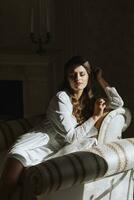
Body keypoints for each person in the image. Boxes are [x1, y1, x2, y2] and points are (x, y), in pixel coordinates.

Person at [0, 56, 124, 200]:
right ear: (67, 78)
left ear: (88, 77)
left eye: (82, 74)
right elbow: (71, 136)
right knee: (8, 183)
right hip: (36, 142)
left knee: (32, 183)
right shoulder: (62, 98)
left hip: (56, 149)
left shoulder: (91, 100)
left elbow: (118, 103)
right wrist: (95, 117)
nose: (77, 78)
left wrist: (100, 79)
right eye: (72, 75)